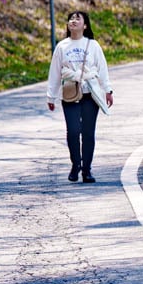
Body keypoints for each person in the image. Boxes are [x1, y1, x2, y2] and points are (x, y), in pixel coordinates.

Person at [46, 10, 114, 183]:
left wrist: (108, 90)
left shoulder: (92, 45)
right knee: (73, 131)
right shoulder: (62, 46)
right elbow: (55, 72)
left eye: (78, 19)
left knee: (88, 133)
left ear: (85, 26)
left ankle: (87, 170)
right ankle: (76, 163)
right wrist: (51, 96)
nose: (73, 21)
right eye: (71, 19)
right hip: (70, 93)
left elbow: (102, 68)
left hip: (90, 93)